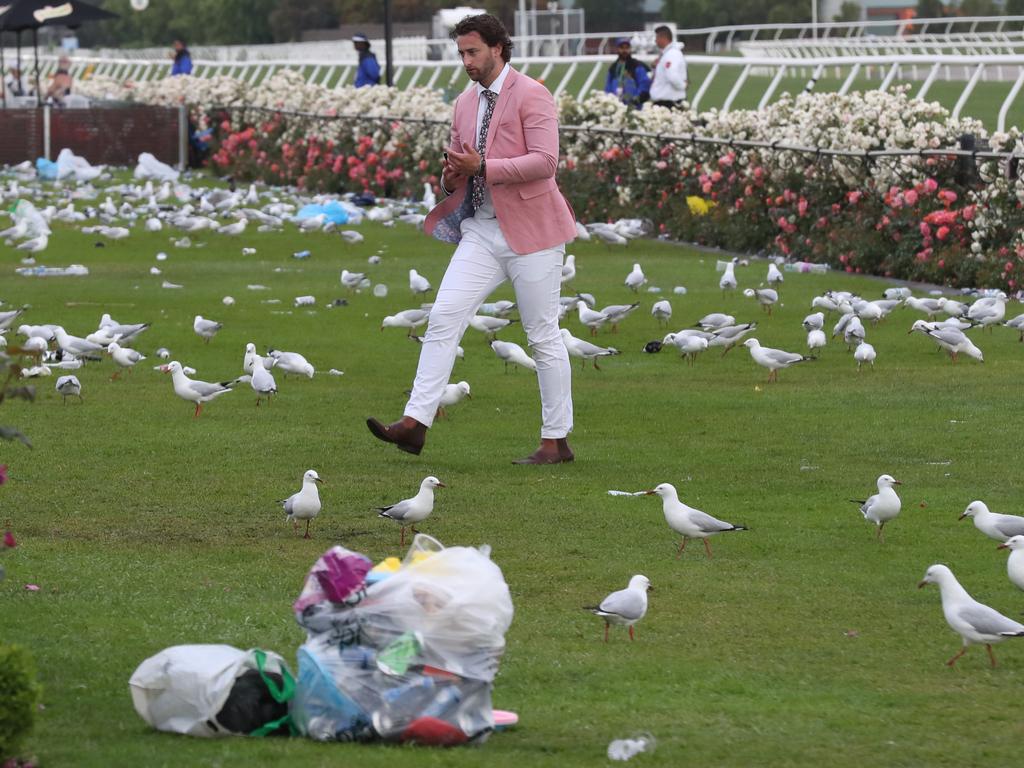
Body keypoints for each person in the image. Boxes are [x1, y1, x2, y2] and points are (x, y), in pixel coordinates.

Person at [366, 13, 578, 465]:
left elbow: (545, 162)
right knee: (442, 316)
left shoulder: (533, 93)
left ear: (499, 48)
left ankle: (555, 441)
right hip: (481, 230)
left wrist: (482, 167)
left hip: (534, 232)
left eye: (473, 51)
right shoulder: (464, 103)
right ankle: (415, 423)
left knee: (542, 336)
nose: (466, 61)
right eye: (461, 52)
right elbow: (462, 168)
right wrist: (451, 175)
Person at [604, 38, 650, 108]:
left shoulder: (637, 66)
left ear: (630, 49)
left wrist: (636, 100)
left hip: (634, 108)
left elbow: (644, 85)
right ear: (617, 49)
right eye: (622, 48)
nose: (624, 50)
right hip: (616, 108)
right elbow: (608, 88)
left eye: (627, 48)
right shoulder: (613, 68)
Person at [649, 25, 687, 109]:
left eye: (657, 37)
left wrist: (683, 86)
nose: (655, 41)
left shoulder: (672, 54)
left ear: (663, 38)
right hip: (665, 101)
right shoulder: (667, 54)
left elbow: (672, 76)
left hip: (669, 103)